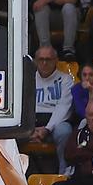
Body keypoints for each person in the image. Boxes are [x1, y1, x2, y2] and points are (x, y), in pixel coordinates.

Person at [30, 45, 75, 175]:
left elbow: (64, 107)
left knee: (65, 130)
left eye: (48, 59)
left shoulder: (66, 79)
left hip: (55, 122)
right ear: (35, 61)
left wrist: (47, 129)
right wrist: (29, 130)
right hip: (32, 121)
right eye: (41, 59)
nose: (44, 63)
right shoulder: (28, 79)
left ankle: (64, 172)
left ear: (56, 60)